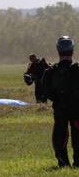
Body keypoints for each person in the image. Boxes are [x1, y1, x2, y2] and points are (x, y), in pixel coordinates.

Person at [43, 36, 79, 168]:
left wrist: (59, 100)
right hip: (77, 110)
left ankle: (63, 163)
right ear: (72, 50)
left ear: (58, 50)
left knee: (60, 137)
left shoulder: (51, 71)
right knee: (78, 137)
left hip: (60, 109)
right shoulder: (77, 69)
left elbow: (46, 92)